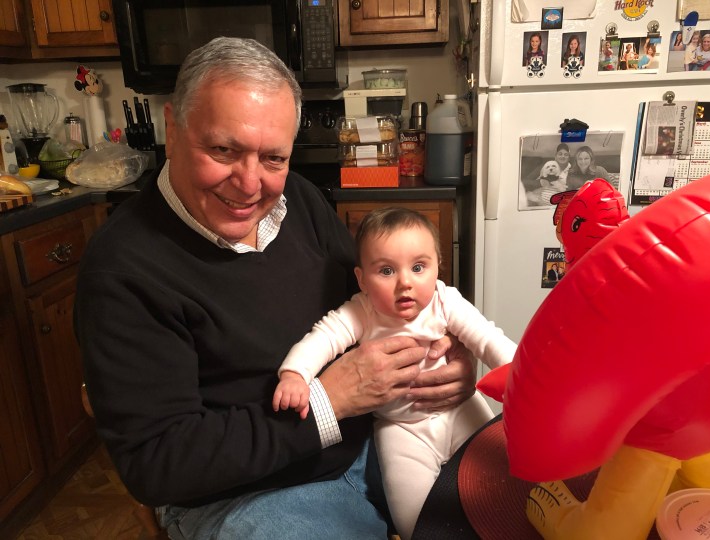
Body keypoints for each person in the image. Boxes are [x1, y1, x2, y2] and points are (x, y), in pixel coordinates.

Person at [74, 37, 477, 540]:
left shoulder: (300, 201)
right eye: (223, 150)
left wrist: (446, 358)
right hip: (246, 494)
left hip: (383, 432)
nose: (249, 184)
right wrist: (331, 401)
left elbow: (378, 302)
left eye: (273, 158)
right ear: (171, 129)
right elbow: (159, 464)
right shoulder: (123, 270)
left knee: (510, 501)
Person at [273, 207, 516, 540]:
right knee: (413, 517)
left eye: (418, 267)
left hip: (460, 409)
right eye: (386, 271)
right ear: (362, 279)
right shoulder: (361, 310)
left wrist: (520, 373)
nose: (405, 283)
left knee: (501, 479)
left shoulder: (445, 301)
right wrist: (295, 374)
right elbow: (323, 338)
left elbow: (487, 339)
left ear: (437, 266)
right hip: (400, 428)